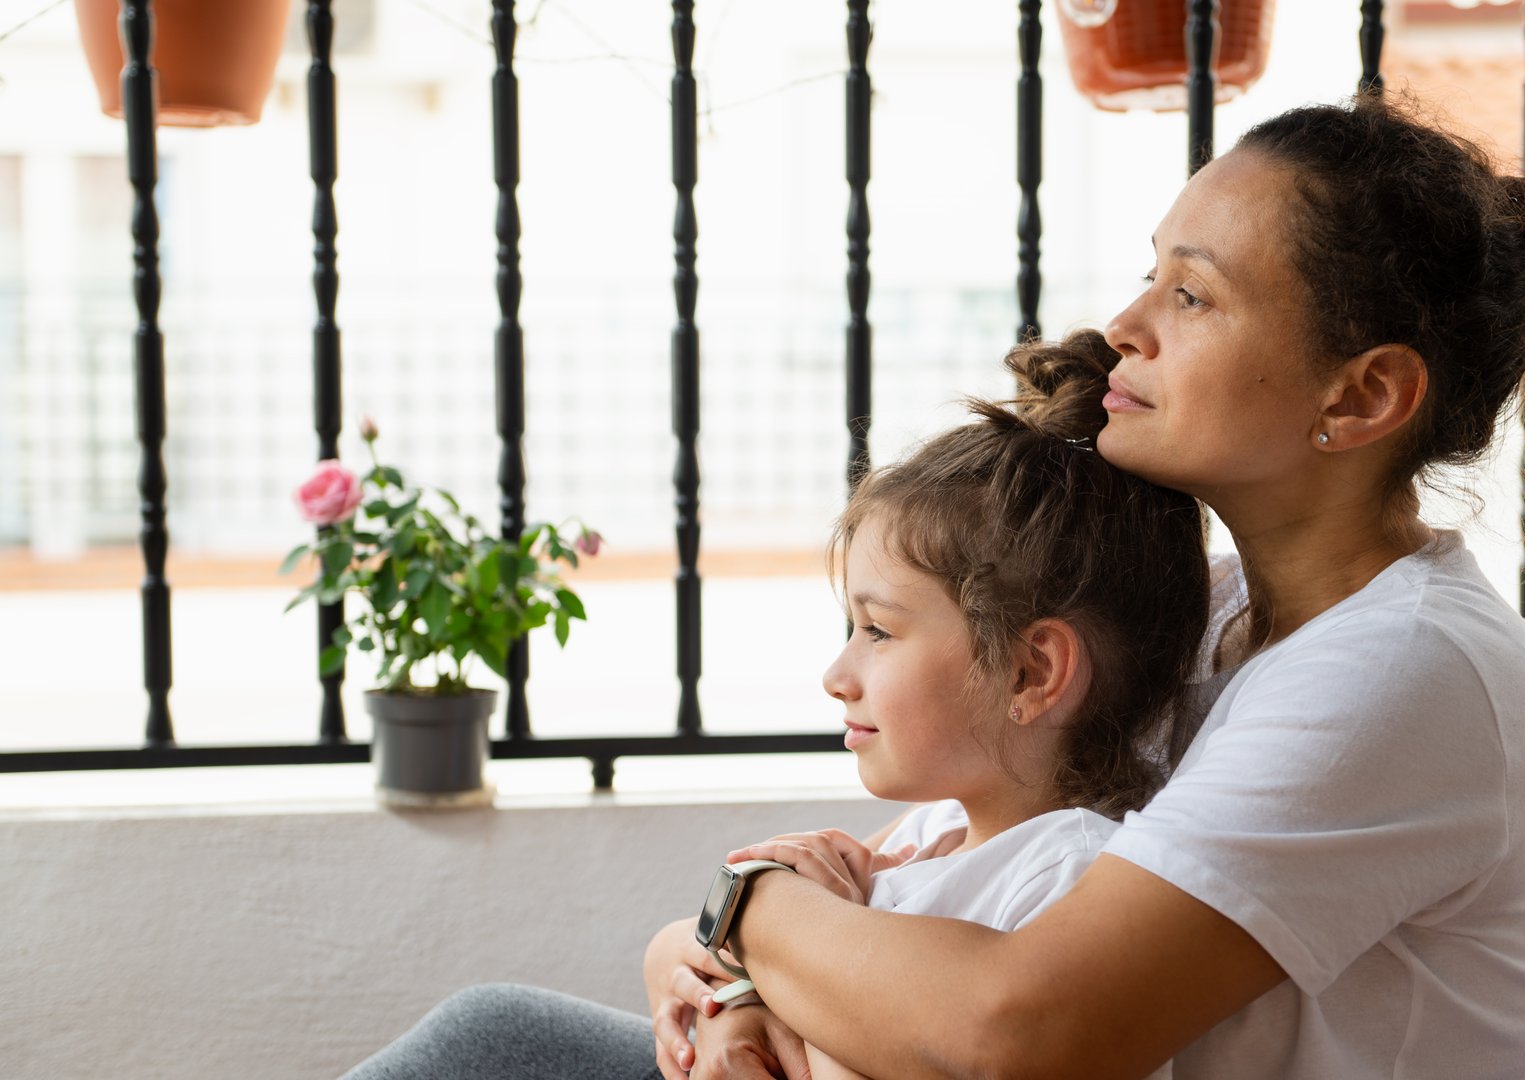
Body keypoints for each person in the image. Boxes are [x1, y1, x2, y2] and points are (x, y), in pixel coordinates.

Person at [343, 92, 1525, 1080]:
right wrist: (731, 972)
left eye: (1193, 293)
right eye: (1149, 271)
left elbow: (1017, 1034)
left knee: (493, 1046)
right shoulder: (1227, 616)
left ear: (1362, 395)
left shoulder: (1406, 666)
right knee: (497, 1036)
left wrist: (745, 909)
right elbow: (914, 900)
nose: (1127, 322)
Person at [341, 329, 1211, 1080]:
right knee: (489, 1027)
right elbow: (702, 947)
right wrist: (726, 997)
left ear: (1031, 673)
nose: (838, 674)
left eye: (878, 630)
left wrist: (779, 1012)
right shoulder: (927, 838)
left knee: (490, 1035)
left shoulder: (1066, 882)